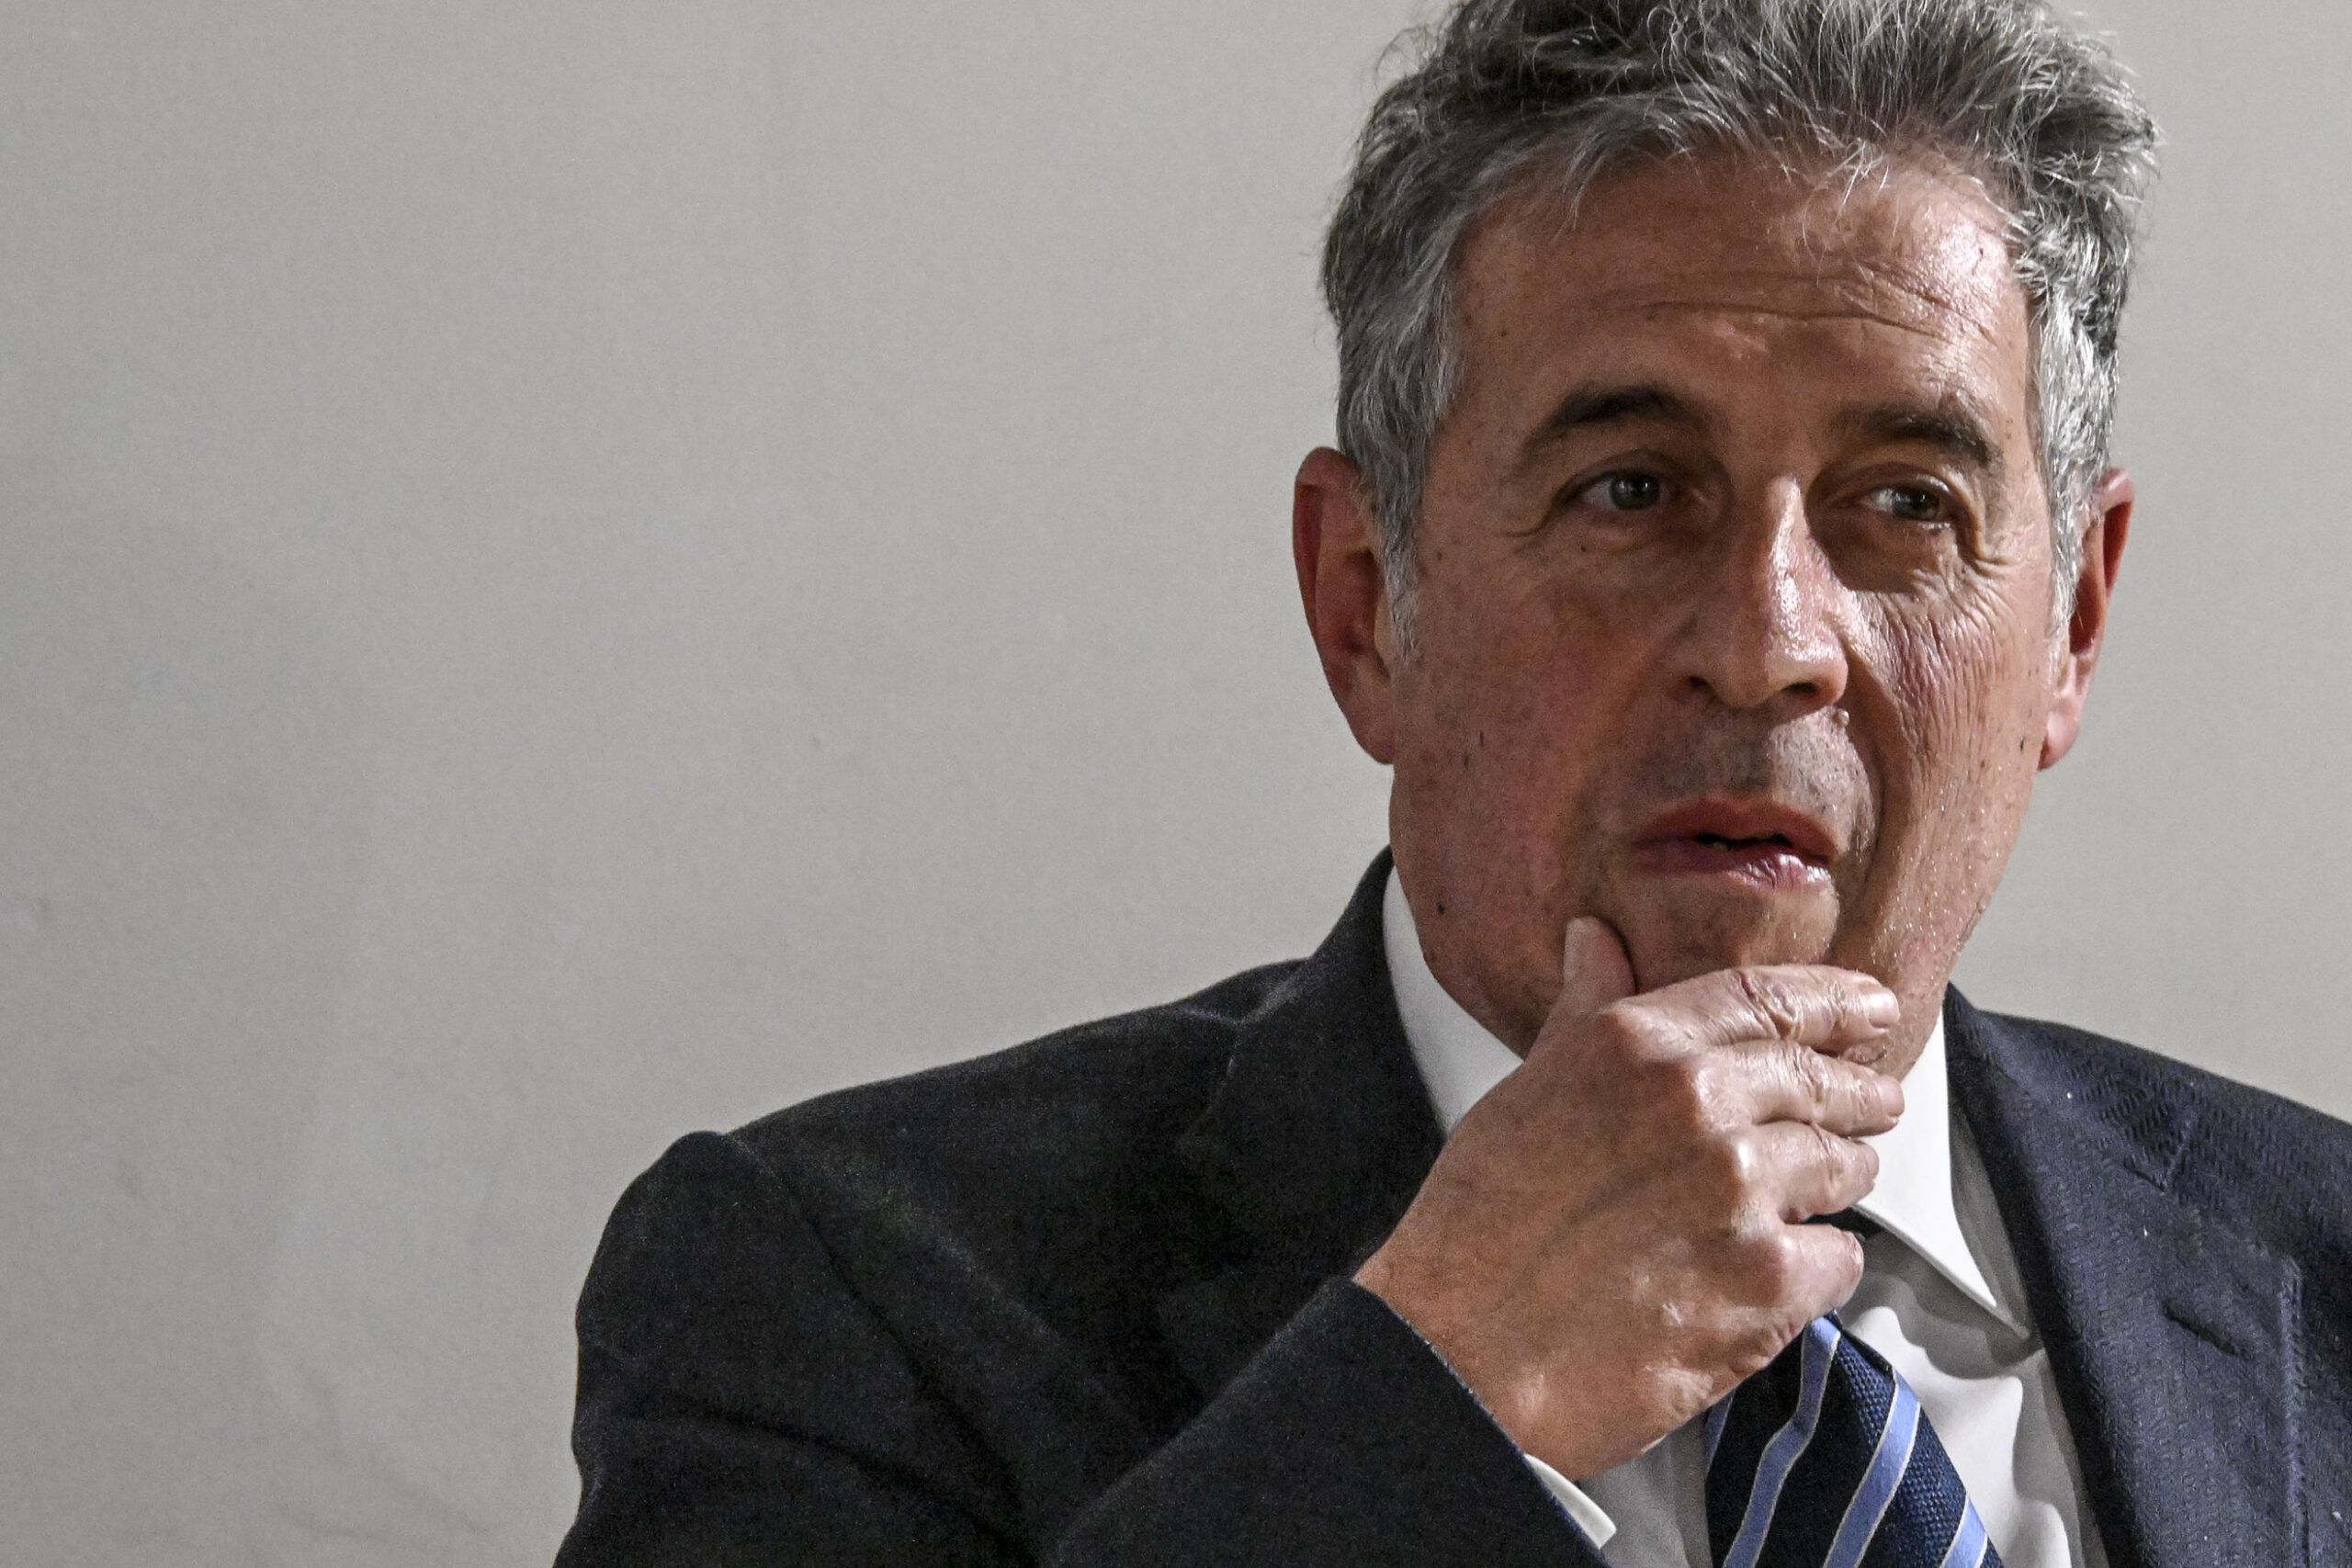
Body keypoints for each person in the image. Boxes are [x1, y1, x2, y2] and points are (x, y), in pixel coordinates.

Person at [554, 2, 2352, 1563]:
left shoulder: (2319, 1275)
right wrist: (1436, 1391)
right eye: (1631, 491)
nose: (1767, 644)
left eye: (1902, 504)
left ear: (2072, 621)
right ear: (1364, 603)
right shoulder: (834, 1296)